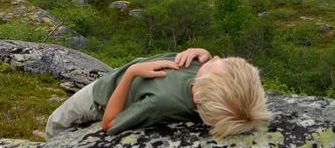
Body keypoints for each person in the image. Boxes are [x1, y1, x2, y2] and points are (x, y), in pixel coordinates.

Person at [45, 48, 270, 139]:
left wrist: (131, 73)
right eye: (222, 59)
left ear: (197, 98)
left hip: (100, 95)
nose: (216, 59)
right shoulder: (208, 87)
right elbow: (217, 79)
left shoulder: (161, 103)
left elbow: (110, 124)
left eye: (213, 65)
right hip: (120, 77)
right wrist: (202, 53)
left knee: (55, 123)